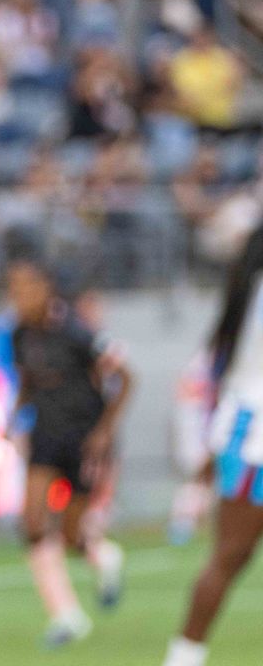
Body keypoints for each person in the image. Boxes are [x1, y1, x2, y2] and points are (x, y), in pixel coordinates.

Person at [6, 259, 131, 648]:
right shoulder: (19, 334)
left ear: (46, 288)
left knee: (73, 536)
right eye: (14, 289)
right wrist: (13, 417)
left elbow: (127, 377)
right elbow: (28, 381)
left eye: (26, 288)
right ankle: (66, 615)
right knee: (32, 522)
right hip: (45, 435)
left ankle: (104, 556)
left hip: (83, 439)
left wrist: (103, 432)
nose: (19, 297)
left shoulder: (78, 332)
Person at [164, 224, 263, 666]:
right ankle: (183, 657)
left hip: (243, 428)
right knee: (230, 555)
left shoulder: (247, 294)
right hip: (254, 438)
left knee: (229, 557)